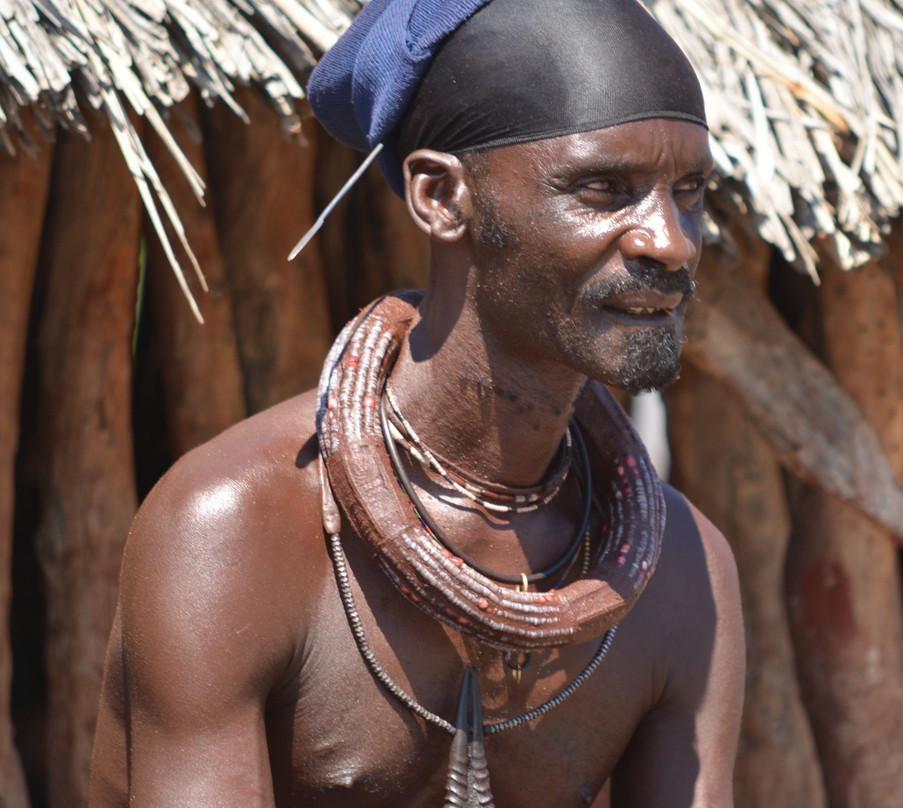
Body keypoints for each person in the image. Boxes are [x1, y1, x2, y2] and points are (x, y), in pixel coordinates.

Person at [88, 0, 744, 805]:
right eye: (604, 189)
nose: (670, 240)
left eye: (689, 192)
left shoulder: (677, 568)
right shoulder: (238, 532)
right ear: (440, 197)